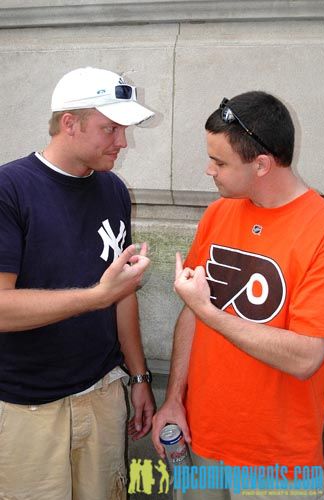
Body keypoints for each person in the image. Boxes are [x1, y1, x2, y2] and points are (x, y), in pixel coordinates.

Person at [152, 91, 324, 499]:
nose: (209, 170)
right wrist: (174, 399)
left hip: (278, 466)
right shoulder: (219, 213)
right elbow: (191, 315)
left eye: (220, 161)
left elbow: (305, 357)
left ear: (261, 164)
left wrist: (207, 312)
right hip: (202, 442)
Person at [0, 67, 156, 500]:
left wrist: (139, 376)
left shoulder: (112, 190)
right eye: (110, 128)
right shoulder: (9, 189)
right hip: (27, 407)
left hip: (103, 391)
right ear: (70, 123)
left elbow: (122, 292)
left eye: (122, 129)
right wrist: (95, 297)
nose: (122, 142)